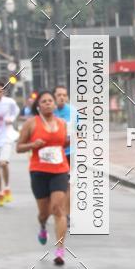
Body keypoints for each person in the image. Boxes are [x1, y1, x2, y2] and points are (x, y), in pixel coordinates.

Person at [16, 90, 70, 266]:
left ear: (54, 105)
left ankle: (60, 250)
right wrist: (33, 144)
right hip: (39, 171)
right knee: (44, 213)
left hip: (60, 169)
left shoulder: (62, 123)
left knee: (58, 208)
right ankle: (41, 225)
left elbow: (64, 142)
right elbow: (19, 147)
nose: (48, 103)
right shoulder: (31, 124)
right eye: (44, 101)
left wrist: (75, 140)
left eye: (50, 101)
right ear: (38, 106)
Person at [53, 84, 74, 224]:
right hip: (52, 154)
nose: (62, 97)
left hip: (69, 153)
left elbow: (79, 132)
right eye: (59, 95)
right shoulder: (49, 111)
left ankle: (67, 214)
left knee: (68, 184)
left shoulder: (73, 112)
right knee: (55, 186)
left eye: (64, 95)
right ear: (54, 97)